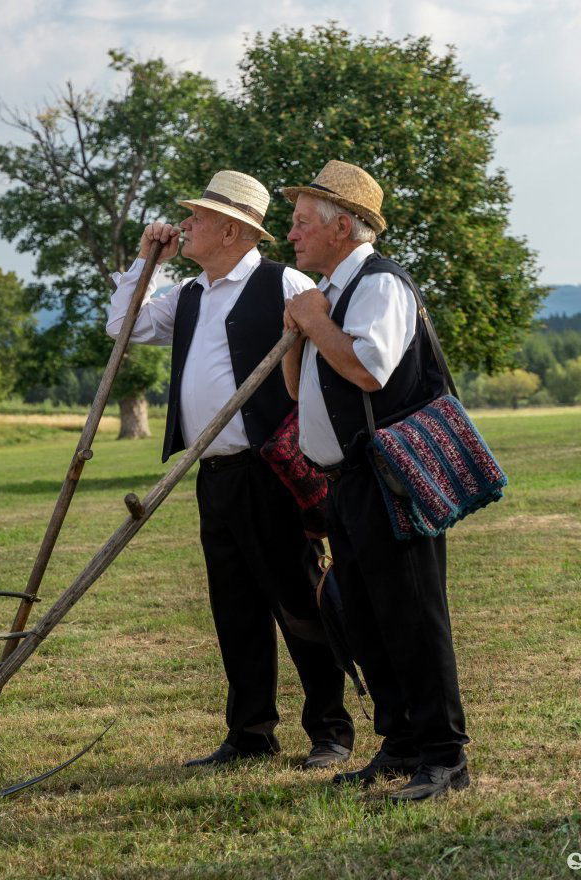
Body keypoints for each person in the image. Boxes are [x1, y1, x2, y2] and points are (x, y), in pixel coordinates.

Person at [105, 170, 353, 770]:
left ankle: (330, 730)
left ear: (232, 230)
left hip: (272, 472)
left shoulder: (283, 282)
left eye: (197, 216)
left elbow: (328, 351)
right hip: (212, 473)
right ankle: (250, 734)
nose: (184, 223)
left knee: (297, 599)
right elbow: (123, 326)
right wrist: (146, 262)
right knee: (233, 606)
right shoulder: (189, 294)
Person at [280, 160, 471, 801]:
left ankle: (444, 758)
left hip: (388, 479)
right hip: (347, 482)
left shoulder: (381, 285)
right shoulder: (329, 295)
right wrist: (299, 335)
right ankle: (400, 742)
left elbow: (368, 370)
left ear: (342, 227)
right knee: (363, 616)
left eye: (303, 222)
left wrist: (315, 322)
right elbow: (301, 386)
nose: (291, 234)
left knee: (413, 615)